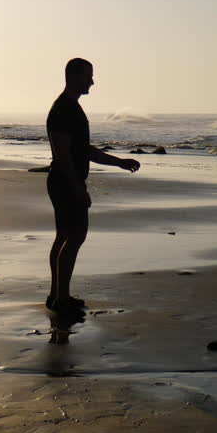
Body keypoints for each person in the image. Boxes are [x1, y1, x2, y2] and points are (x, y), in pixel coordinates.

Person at [45, 58, 140, 312]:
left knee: (64, 237)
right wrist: (78, 187)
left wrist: (118, 162)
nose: (92, 81)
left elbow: (82, 149)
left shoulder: (69, 107)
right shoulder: (64, 108)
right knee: (74, 237)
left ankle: (56, 295)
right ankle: (60, 298)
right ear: (74, 76)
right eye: (88, 76)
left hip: (62, 181)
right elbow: (62, 153)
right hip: (66, 182)